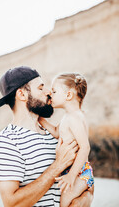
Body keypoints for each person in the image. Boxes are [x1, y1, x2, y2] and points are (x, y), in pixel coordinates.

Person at [0, 66, 94, 207]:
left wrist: (85, 199)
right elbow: (12, 204)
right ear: (22, 95)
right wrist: (58, 165)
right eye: (41, 88)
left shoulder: (55, 134)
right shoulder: (7, 141)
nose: (48, 92)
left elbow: (87, 183)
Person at [39, 73, 94, 207]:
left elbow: (85, 147)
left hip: (78, 173)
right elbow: (57, 133)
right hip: (76, 172)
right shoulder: (69, 116)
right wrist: (40, 119)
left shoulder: (74, 118)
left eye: (54, 91)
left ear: (68, 95)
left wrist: (71, 176)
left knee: (64, 204)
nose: (50, 94)